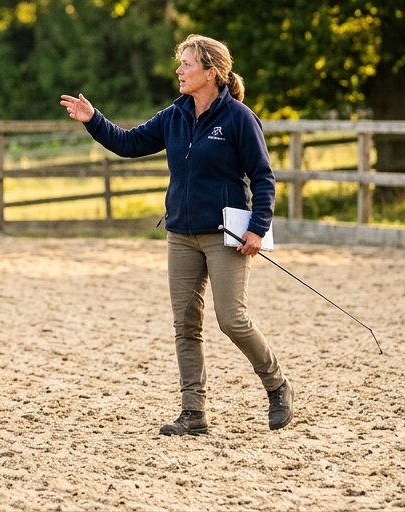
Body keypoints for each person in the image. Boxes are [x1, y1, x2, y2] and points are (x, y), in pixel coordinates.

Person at [60, 34, 294, 435]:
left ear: (211, 72)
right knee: (186, 325)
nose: (179, 71)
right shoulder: (174, 115)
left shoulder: (238, 118)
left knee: (232, 319)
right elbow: (129, 144)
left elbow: (263, 177)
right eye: (180, 63)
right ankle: (194, 412)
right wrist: (93, 120)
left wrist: (258, 228)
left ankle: (277, 385)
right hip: (180, 235)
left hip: (225, 236)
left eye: (186, 64)